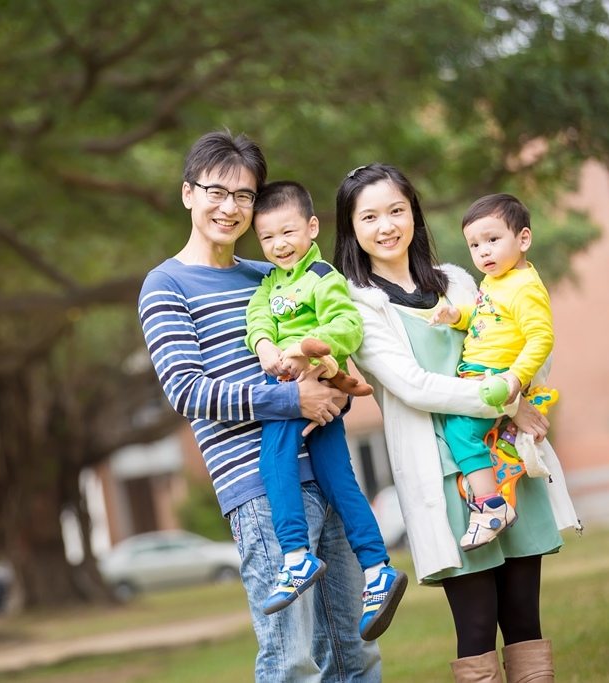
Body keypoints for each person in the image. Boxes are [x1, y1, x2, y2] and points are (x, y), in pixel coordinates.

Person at [138, 131, 381, 681]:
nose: (230, 207)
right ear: (187, 194)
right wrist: (291, 399)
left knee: (353, 651)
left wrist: (332, 388)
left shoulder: (271, 275)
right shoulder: (166, 285)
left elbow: (322, 362)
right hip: (258, 490)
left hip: (327, 473)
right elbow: (188, 391)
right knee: (290, 659)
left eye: (244, 196)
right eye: (216, 192)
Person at [332, 163, 580, 682]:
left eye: (397, 210)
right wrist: (508, 401)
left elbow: (528, 349)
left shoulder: (462, 281)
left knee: (524, 619)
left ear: (415, 215)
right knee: (474, 625)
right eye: (370, 216)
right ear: (351, 229)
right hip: (443, 475)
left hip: (503, 460)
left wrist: (517, 391)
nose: (387, 225)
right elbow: (416, 387)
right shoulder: (358, 307)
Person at [244, 180, 407, 637]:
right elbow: (256, 319)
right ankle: (377, 567)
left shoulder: (324, 278)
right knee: (340, 480)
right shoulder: (270, 283)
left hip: (305, 384)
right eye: (267, 237)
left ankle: (295, 556)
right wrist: (263, 347)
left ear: (312, 228)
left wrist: (299, 348)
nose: (278, 245)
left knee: (274, 462)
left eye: (288, 232)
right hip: (290, 382)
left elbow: (347, 325)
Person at [427, 193, 555, 552]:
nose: (483, 251)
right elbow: (488, 319)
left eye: (492, 240)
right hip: (482, 374)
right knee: (465, 430)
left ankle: (490, 507)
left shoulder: (525, 287)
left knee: (461, 430)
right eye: (474, 245)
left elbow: (541, 338)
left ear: (523, 239)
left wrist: (514, 379)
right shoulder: (495, 282)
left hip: (496, 378)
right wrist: (459, 316)